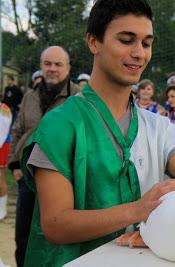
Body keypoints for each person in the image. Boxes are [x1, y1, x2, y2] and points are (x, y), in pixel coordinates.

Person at [21, 1, 175, 265]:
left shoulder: (157, 127)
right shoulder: (59, 125)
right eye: (126, 40)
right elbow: (56, 224)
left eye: (146, 44)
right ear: (94, 42)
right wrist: (137, 210)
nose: (139, 53)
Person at [8, 46, 80, 267]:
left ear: (68, 68)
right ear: (41, 66)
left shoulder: (78, 98)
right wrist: (14, 166)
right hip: (27, 179)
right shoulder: (29, 97)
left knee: (56, 240)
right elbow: (18, 130)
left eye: (58, 64)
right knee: (23, 237)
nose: (52, 69)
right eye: (48, 64)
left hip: (62, 180)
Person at [0, 102, 12, 220]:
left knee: (0, 177)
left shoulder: (4, 109)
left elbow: (2, 132)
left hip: (2, 145)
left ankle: (2, 210)